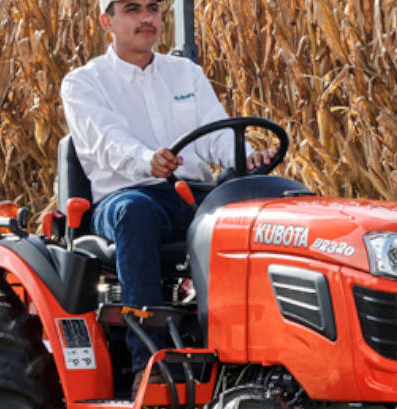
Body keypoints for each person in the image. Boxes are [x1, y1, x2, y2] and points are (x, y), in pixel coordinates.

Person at [60, 0, 272, 388]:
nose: (147, 18)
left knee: (264, 208)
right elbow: (105, 140)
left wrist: (246, 158)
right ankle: (150, 360)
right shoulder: (84, 82)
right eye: (133, 9)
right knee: (135, 213)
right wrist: (146, 160)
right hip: (123, 196)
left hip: (191, 195)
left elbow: (218, 135)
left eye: (154, 8)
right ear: (107, 21)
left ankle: (259, 350)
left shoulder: (184, 74)